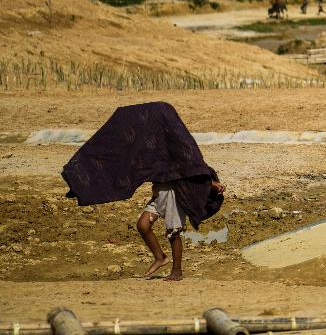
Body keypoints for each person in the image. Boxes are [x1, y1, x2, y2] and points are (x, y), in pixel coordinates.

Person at [61, 102, 225, 281]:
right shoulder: (153, 141)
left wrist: (212, 183)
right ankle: (160, 257)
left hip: (173, 193)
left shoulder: (175, 139)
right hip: (159, 192)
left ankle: (177, 271)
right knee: (143, 226)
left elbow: (192, 163)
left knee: (173, 233)